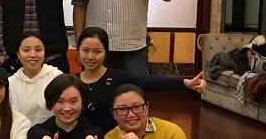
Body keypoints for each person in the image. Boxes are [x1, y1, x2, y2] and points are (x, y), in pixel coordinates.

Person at [77, 27, 206, 133]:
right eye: (85, 50)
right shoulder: (72, 82)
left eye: (97, 51)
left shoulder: (117, 77)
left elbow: (148, 81)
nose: (90, 57)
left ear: (105, 53)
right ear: (78, 52)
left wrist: (185, 83)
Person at [9, 33, 62, 125]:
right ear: (18, 54)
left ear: (44, 53)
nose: (33, 55)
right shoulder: (10, 83)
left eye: (38, 50)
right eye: (26, 50)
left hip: (51, 132)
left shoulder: (57, 78)